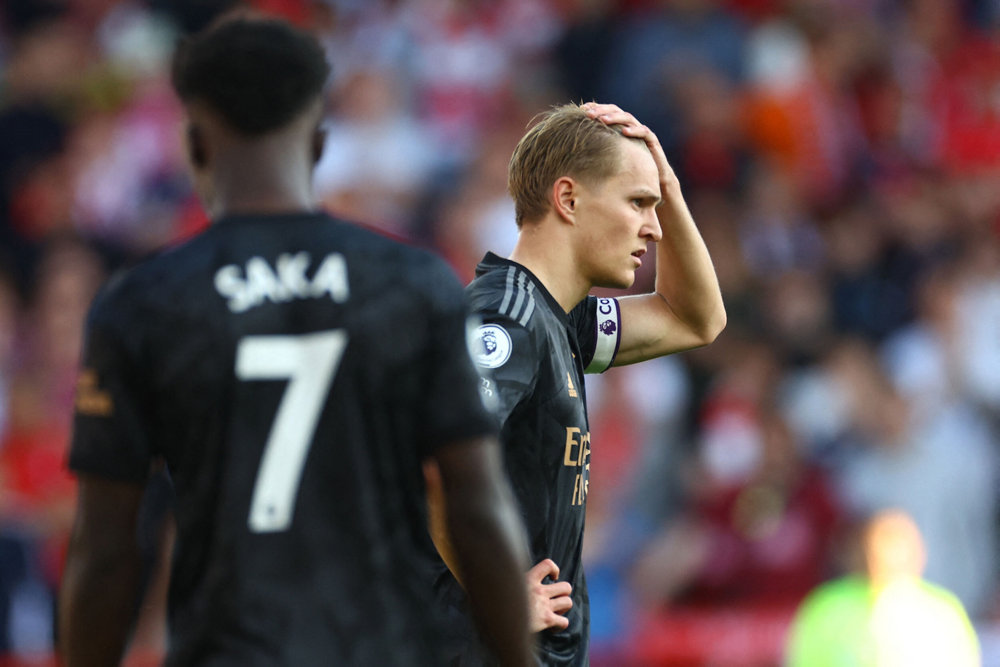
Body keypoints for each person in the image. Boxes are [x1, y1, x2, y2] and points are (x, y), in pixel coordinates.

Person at [57, 15, 533, 667]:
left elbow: (106, 547)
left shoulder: (143, 303)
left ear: (196, 146)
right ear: (318, 144)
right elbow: (477, 504)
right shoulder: (413, 284)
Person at [428, 102, 726, 665]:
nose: (654, 227)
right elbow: (434, 457)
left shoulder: (564, 322)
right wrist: (496, 594)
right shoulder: (508, 319)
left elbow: (696, 319)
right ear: (568, 199)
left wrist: (669, 185)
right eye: (638, 202)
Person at [786, 509, 980, 667]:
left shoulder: (942, 611)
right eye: (880, 544)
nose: (887, 555)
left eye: (897, 545)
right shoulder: (826, 606)